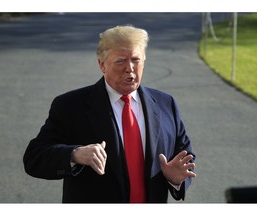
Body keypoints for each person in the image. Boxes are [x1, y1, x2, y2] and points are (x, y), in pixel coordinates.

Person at [23, 25, 196, 203]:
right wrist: (74, 154)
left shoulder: (165, 104)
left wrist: (177, 179)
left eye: (136, 60)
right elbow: (34, 158)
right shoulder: (70, 106)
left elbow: (185, 158)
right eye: (120, 61)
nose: (129, 68)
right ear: (102, 65)